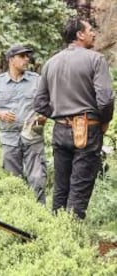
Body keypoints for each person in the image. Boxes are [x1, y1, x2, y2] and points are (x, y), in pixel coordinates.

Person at [34, 17, 114, 219]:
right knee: (79, 191)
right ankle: (69, 241)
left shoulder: (50, 63)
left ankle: (55, 236)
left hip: (60, 131)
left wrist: (61, 116)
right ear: (79, 34)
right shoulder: (95, 60)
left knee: (61, 189)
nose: (93, 33)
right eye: (90, 30)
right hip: (87, 131)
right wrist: (103, 122)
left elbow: (39, 104)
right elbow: (105, 100)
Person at [0, 44, 47, 204]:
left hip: (33, 137)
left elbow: (46, 106)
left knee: (37, 180)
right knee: (13, 182)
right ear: (11, 59)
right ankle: (18, 219)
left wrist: (42, 117)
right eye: (22, 56)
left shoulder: (37, 80)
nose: (27, 59)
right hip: (9, 139)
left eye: (27, 56)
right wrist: (0, 114)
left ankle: (39, 216)